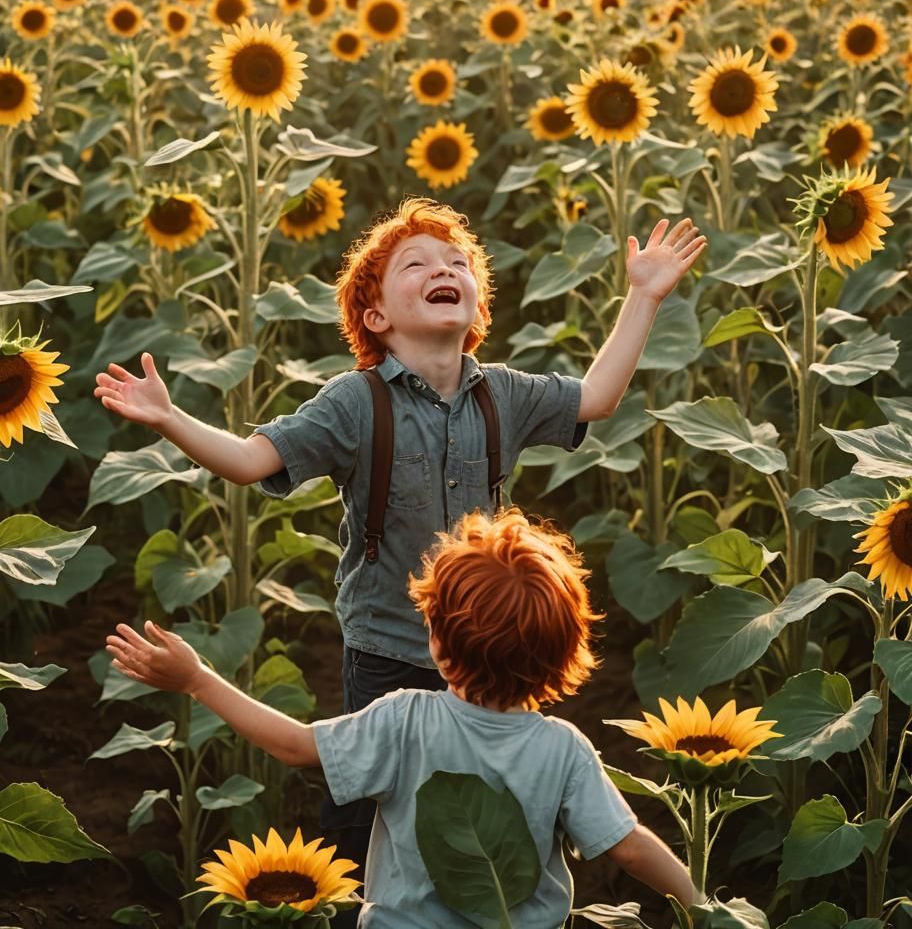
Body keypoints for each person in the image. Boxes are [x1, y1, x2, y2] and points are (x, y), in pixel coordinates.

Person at [94, 197, 706, 895]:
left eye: (458, 264)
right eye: (416, 264)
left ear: (475, 305)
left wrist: (644, 296)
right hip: (389, 653)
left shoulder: (501, 393)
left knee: (496, 810)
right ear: (376, 317)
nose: (443, 269)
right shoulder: (354, 403)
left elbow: (595, 397)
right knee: (368, 815)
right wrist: (170, 418)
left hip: (490, 648)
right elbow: (248, 460)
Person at [106, 508, 700, 928]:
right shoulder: (564, 749)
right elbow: (628, 849)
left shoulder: (406, 720)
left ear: (439, 644)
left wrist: (197, 679)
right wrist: (700, 906)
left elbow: (293, 745)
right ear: (565, 651)